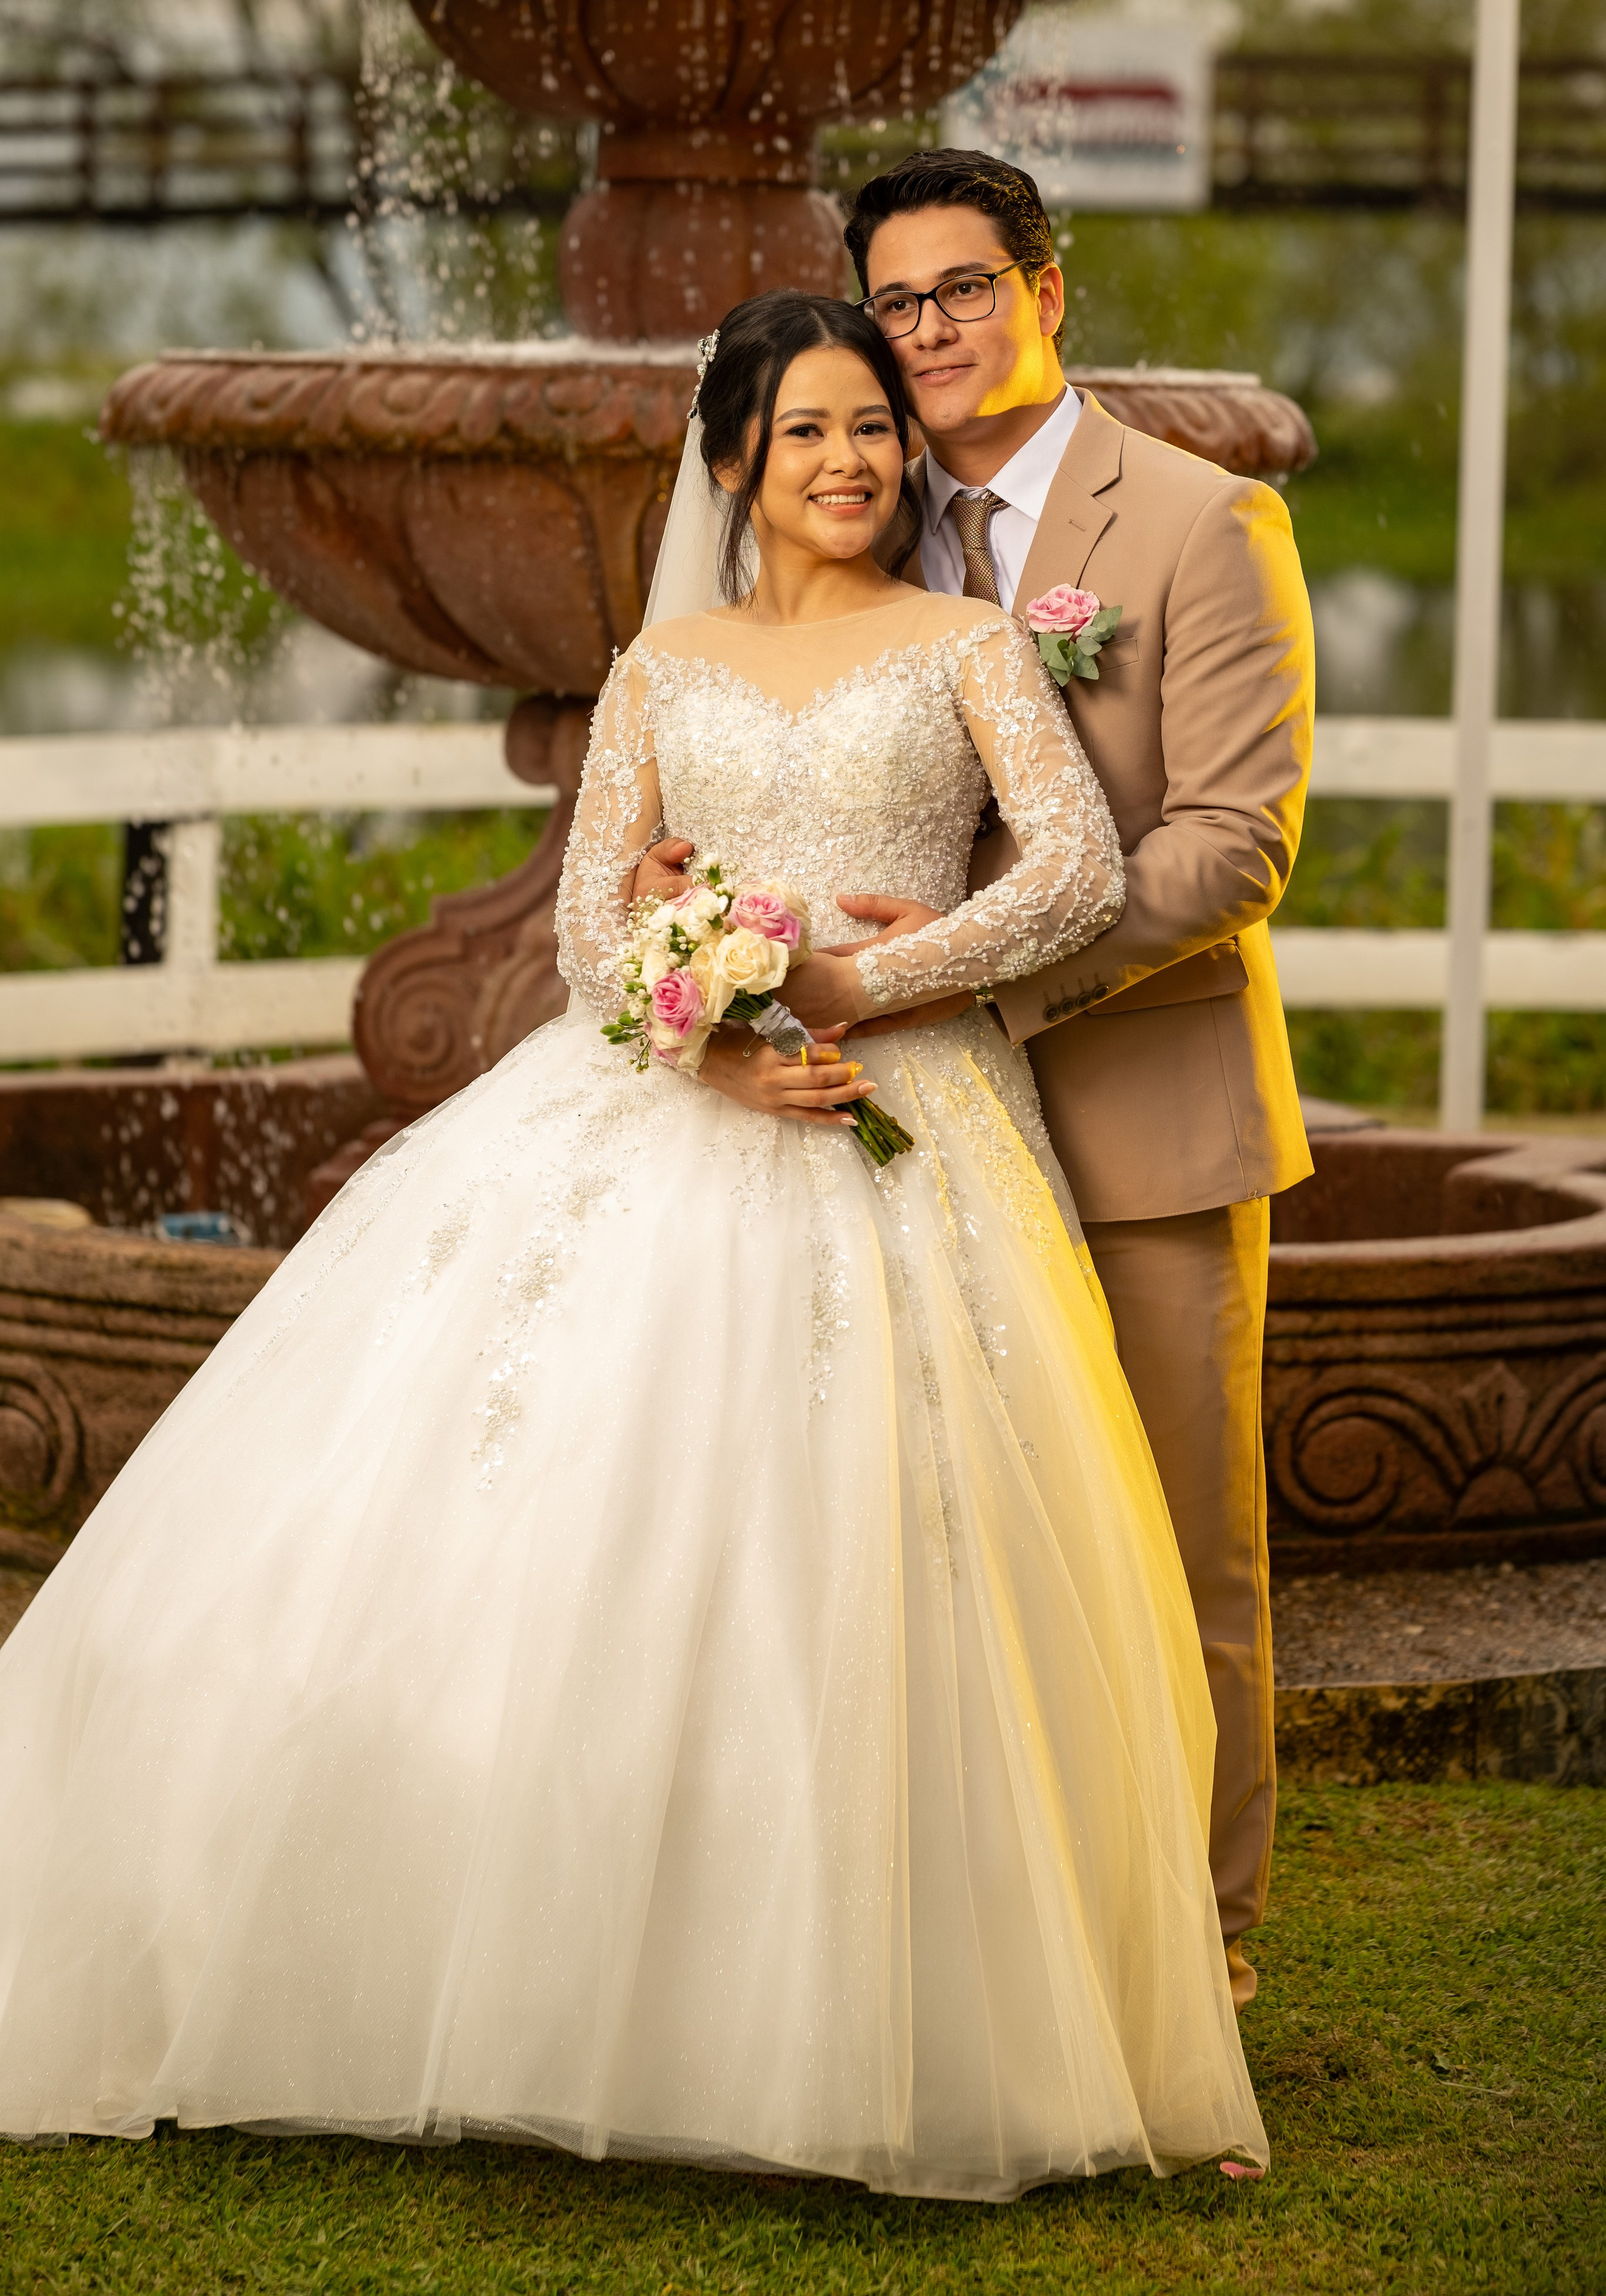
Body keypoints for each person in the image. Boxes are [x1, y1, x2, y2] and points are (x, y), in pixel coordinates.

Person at [0, 290, 1265, 2197]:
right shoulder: (659, 667)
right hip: (686, 1107)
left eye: (873, 428)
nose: (849, 460)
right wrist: (712, 1035)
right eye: (810, 429)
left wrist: (861, 978)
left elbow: (1076, 870)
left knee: (894, 1563)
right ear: (737, 456)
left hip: (909, 1116)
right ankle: (504, 1961)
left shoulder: (972, 644)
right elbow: (597, 928)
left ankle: (892, 2009)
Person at [642, 153, 1316, 2013]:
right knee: (937, 1538)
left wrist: (959, 979)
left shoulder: (1200, 520)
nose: (930, 331)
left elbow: (1232, 847)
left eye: (963, 290)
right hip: (908, 1134)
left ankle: (1206, 1939)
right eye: (901, 300)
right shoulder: (865, 507)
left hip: (1135, 1107)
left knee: (1178, 1552)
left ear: (1049, 291)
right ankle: (973, 1924)